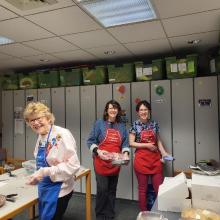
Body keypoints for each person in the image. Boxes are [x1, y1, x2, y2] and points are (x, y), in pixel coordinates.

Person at [23, 102, 80, 220]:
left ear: (48, 118)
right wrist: (37, 176)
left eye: (38, 118)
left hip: (59, 189)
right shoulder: (41, 135)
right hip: (44, 187)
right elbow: (42, 161)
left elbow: (73, 165)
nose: (35, 123)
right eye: (31, 120)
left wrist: (44, 172)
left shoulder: (62, 134)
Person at [87, 100, 130, 220]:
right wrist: (99, 152)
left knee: (112, 189)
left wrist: (125, 154)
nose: (113, 110)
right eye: (110, 108)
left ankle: (110, 214)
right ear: (106, 110)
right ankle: (100, 215)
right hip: (101, 162)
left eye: (115, 108)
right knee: (102, 189)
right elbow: (90, 141)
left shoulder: (121, 126)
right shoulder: (99, 123)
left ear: (118, 110)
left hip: (115, 163)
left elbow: (125, 143)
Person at [129, 100, 172, 211]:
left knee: (159, 188)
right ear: (138, 112)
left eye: (146, 109)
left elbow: (158, 141)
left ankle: (160, 211)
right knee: (142, 189)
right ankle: (144, 213)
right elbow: (131, 143)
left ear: (149, 111)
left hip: (155, 159)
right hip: (141, 160)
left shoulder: (154, 124)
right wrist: (147, 145)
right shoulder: (135, 125)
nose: (143, 112)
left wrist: (164, 153)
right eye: (141, 110)